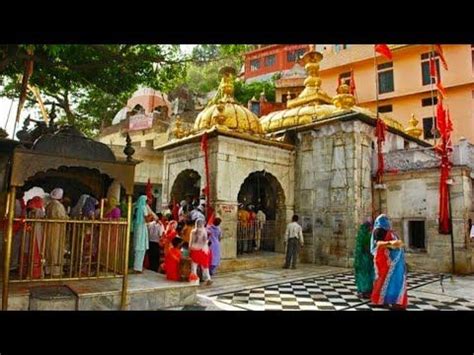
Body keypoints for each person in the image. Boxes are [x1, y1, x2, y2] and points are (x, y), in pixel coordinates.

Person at [370, 214, 408, 310]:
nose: (388, 221)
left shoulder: (390, 231)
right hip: (387, 261)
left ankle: (391, 301)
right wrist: (391, 244)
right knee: (387, 280)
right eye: (385, 219)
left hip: (395, 261)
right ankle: (389, 301)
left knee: (394, 281)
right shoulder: (378, 230)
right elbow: (378, 244)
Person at [45, 188, 69, 277]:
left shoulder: (50, 204)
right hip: (57, 229)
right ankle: (55, 270)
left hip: (50, 229)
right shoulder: (58, 205)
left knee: (49, 248)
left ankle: (48, 269)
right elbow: (61, 217)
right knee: (56, 249)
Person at [24, 196, 45, 279]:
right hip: (37, 232)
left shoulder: (30, 210)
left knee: (30, 251)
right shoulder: (38, 211)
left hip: (31, 232)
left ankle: (28, 272)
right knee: (36, 252)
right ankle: (35, 273)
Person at [353, 218, 374, 299]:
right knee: (366, 275)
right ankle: (366, 291)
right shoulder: (368, 236)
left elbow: (359, 248)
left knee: (362, 275)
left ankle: (362, 291)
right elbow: (366, 248)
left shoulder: (360, 235)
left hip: (361, 259)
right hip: (365, 258)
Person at [188, 218, 212, 285]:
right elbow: (205, 241)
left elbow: (190, 242)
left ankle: (194, 280)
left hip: (194, 250)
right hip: (202, 250)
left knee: (194, 267)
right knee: (205, 266)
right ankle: (208, 279)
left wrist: (189, 249)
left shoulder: (193, 231)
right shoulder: (204, 231)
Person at [132, 195, 150, 273]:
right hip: (142, 228)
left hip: (137, 227)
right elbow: (146, 219)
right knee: (141, 248)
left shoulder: (135, 208)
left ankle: (136, 267)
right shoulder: (143, 207)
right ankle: (138, 268)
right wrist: (151, 217)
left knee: (137, 248)